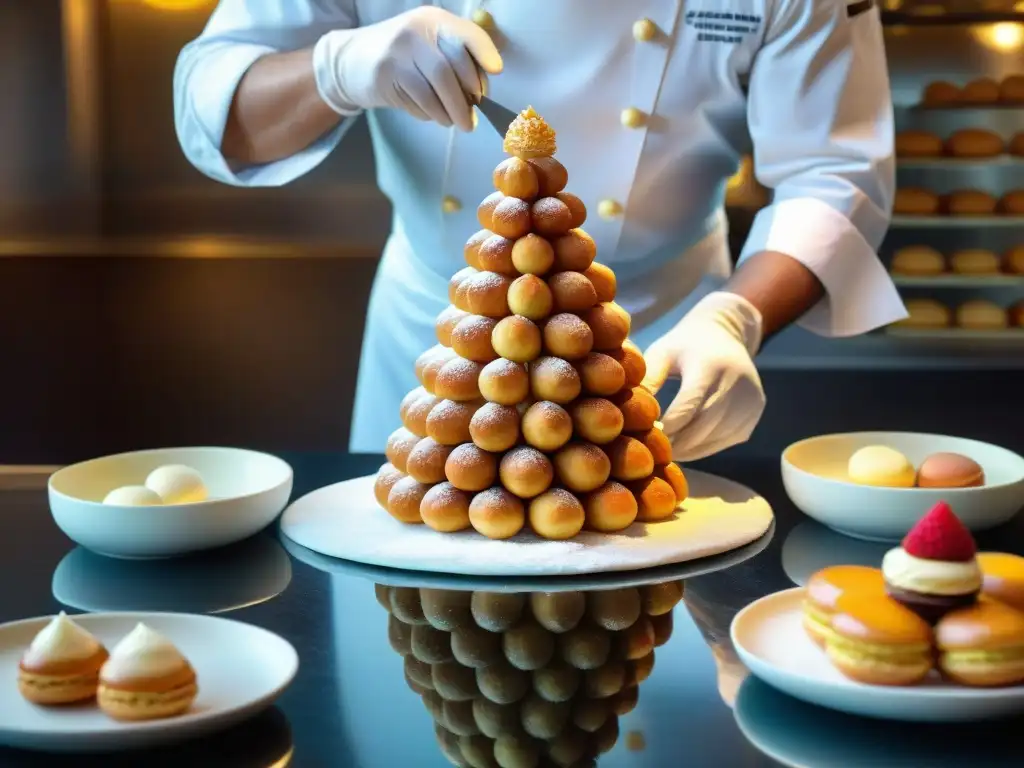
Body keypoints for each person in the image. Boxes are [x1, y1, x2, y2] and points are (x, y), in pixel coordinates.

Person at [174, 1, 906, 460]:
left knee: (656, 654)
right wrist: (340, 68)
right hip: (435, 346)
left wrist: (734, 319)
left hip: (663, 343)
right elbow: (217, 113)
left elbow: (833, 169)